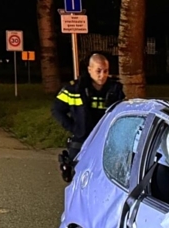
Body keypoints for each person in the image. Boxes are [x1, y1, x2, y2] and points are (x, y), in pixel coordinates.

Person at [52, 53, 125, 181]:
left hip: (105, 139)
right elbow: (57, 110)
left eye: (105, 71)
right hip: (82, 138)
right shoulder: (74, 89)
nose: (102, 75)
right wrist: (75, 128)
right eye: (98, 71)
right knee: (76, 174)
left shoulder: (115, 90)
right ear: (89, 69)